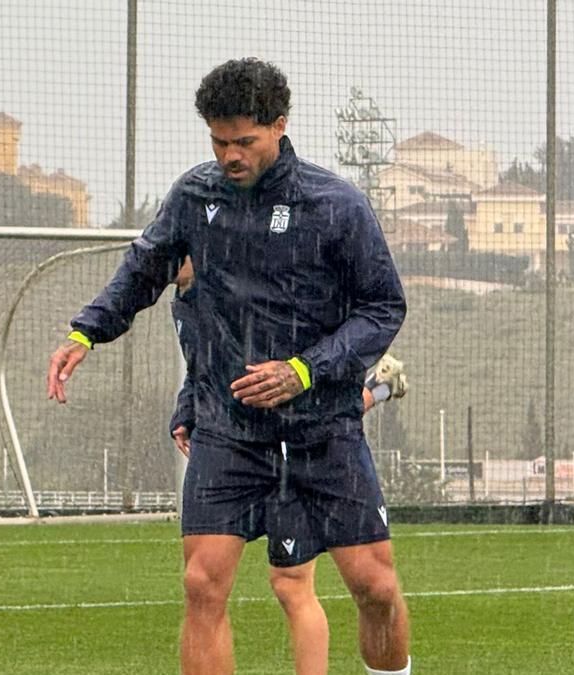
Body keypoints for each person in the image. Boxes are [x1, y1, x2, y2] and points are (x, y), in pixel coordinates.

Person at [47, 58, 411, 675]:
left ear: (279, 126)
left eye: (244, 141)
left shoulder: (336, 204)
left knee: (374, 588)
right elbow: (144, 271)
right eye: (219, 141)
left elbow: (383, 308)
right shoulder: (194, 197)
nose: (230, 155)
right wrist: (88, 330)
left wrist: (305, 369)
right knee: (201, 584)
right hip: (229, 428)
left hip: (323, 428)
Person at [168, 256, 407, 675]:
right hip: (236, 445)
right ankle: (381, 387)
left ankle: (378, 388)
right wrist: (188, 408)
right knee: (207, 585)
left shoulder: (252, 276)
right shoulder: (185, 299)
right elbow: (203, 367)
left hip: (298, 443)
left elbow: (300, 364)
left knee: (302, 585)